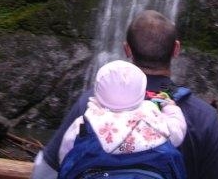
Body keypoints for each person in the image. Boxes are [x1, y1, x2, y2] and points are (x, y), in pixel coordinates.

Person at [31, 10, 218, 179]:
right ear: (176, 49)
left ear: (127, 49)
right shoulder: (204, 118)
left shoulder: (92, 104)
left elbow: (44, 172)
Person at [58, 59, 187, 165]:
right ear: (142, 90)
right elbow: (177, 132)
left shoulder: (85, 122)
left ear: (97, 91)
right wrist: (170, 107)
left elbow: (65, 156)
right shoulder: (152, 113)